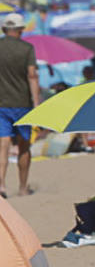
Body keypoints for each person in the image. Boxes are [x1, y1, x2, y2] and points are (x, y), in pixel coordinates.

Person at [0, 12, 40, 197]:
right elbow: (32, 75)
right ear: (21, 29)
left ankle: (1, 184)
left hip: (1, 104)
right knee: (24, 146)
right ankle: (23, 188)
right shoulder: (27, 48)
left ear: (4, 29)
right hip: (23, 104)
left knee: (3, 144)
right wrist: (37, 103)